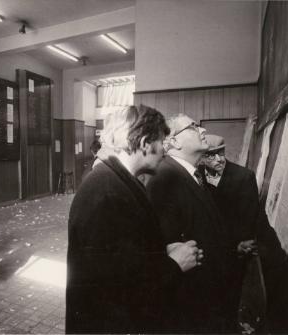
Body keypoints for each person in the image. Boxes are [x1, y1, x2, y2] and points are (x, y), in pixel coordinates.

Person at [66, 105, 202, 334]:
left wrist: (161, 252)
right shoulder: (108, 194)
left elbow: (122, 261)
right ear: (145, 143)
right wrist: (174, 265)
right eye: (161, 142)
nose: (164, 152)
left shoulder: (116, 182)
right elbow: (117, 290)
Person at [146, 114, 235, 332]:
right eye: (194, 127)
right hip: (191, 304)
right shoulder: (165, 177)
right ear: (174, 141)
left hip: (206, 297)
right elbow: (168, 247)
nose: (203, 131)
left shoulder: (190, 173)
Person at [201, 134, 259, 326]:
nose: (219, 159)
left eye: (221, 152)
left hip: (235, 254)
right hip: (206, 255)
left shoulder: (245, 176)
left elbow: (249, 219)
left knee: (229, 302)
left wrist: (237, 246)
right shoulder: (195, 177)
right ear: (200, 156)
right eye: (211, 155)